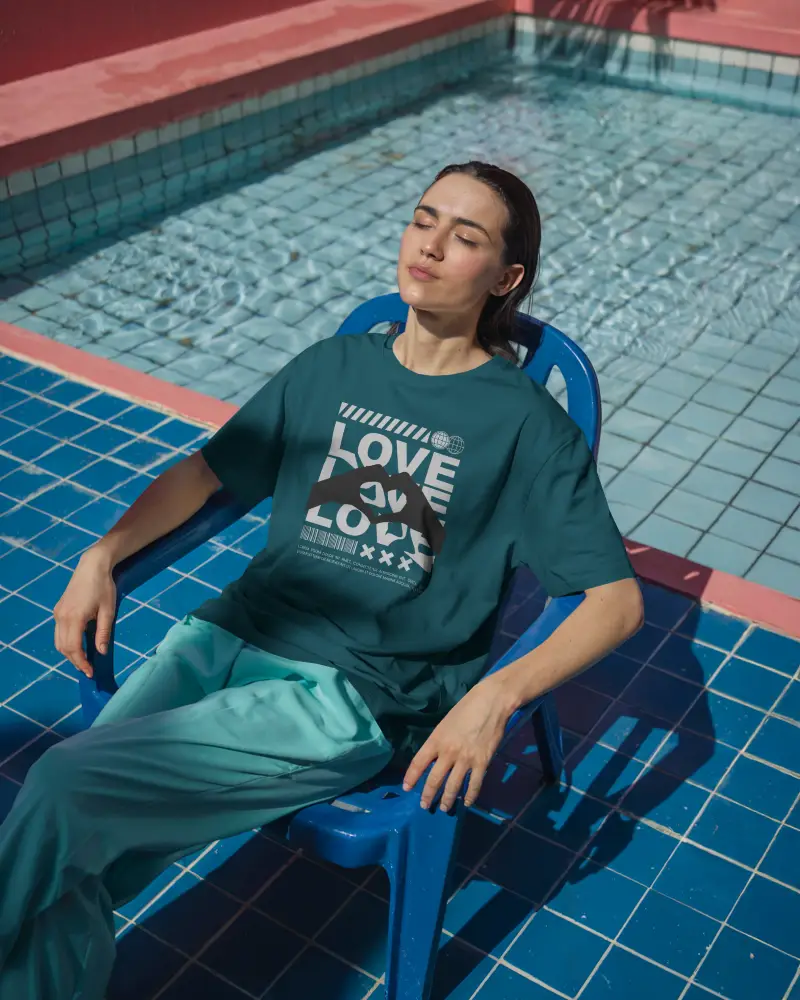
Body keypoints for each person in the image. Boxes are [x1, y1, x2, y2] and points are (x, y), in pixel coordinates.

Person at [0, 161, 643, 997]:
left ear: (505, 277)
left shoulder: (526, 426)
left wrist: (493, 698)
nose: (432, 245)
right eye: (424, 219)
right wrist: (102, 553)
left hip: (348, 698)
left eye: (467, 236)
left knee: (60, 787)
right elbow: (207, 472)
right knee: (78, 847)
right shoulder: (334, 366)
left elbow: (616, 601)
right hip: (226, 637)